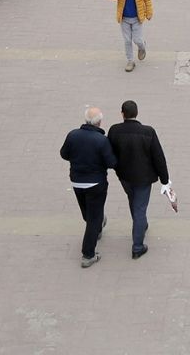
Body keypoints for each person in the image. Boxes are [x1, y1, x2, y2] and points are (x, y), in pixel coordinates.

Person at [107, 101, 171, 260]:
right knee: (140, 207)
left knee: (133, 200)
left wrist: (115, 167)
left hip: (124, 176)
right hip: (144, 177)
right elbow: (158, 158)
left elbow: (109, 152)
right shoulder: (148, 132)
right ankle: (137, 246)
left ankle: (141, 224)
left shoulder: (114, 130)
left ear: (122, 113)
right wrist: (165, 180)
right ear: (137, 113)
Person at [60, 107, 117, 268]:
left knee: (87, 212)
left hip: (77, 182)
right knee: (93, 218)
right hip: (96, 183)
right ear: (99, 122)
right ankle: (88, 254)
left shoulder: (73, 135)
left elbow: (64, 154)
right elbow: (111, 162)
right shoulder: (101, 140)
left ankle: (97, 226)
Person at [108, 0, 153, 71]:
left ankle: (142, 47)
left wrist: (149, 12)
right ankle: (130, 61)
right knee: (127, 40)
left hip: (137, 18)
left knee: (137, 40)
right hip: (124, 18)